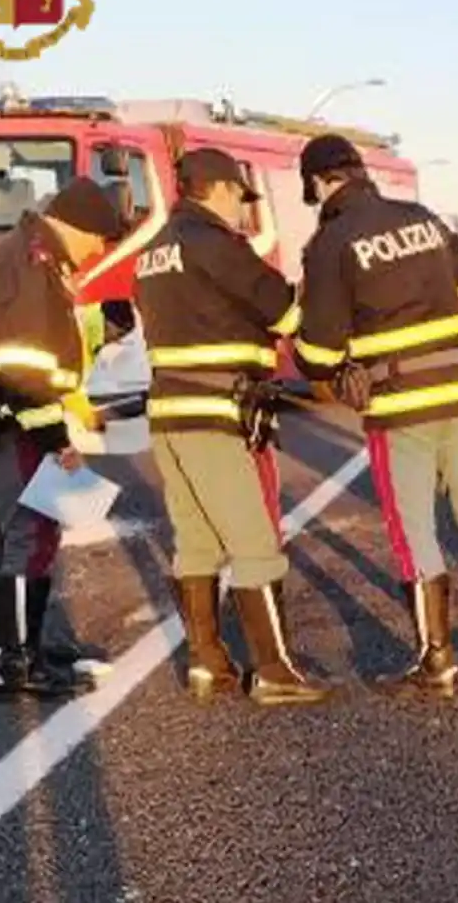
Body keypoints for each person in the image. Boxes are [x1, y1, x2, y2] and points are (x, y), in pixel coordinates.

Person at [292, 133, 458, 698]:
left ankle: (436, 657)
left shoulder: (331, 241)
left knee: (413, 529)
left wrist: (346, 359)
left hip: (399, 406)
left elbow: (316, 352)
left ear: (320, 183)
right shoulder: (423, 217)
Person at [133, 148, 329, 706]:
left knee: (195, 542)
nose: (244, 211)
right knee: (254, 543)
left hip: (168, 412)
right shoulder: (218, 246)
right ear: (219, 190)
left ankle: (207, 664)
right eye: (240, 199)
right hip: (216, 412)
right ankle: (273, 671)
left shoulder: (154, 252)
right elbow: (285, 313)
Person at [0, 177, 127, 700]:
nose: (98, 253)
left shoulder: (11, 248)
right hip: (4, 418)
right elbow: (28, 370)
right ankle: (21, 664)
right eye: (99, 240)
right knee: (32, 534)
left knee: (2, 536)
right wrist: (56, 442)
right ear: (79, 226)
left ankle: (15, 646)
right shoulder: (34, 265)